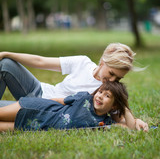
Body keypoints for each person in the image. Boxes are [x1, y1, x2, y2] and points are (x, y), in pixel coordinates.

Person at [0, 43, 148, 131]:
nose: (113, 80)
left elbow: (119, 117)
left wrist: (136, 121)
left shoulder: (104, 93)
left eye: (118, 78)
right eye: (111, 73)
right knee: (6, 64)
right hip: (38, 91)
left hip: (45, 112)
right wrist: (7, 53)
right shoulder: (82, 62)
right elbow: (40, 61)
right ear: (103, 62)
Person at [0, 81, 139, 132]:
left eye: (107, 96)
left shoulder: (104, 123)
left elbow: (131, 128)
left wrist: (125, 108)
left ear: (114, 105)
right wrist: (39, 102)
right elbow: (60, 101)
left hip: (37, 125)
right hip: (37, 108)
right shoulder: (85, 97)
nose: (100, 96)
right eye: (101, 91)